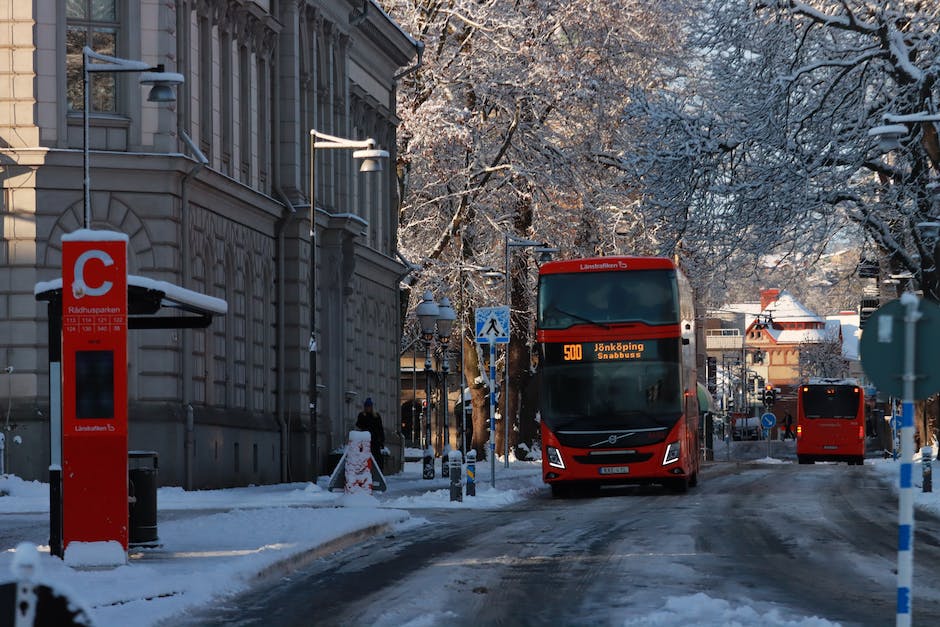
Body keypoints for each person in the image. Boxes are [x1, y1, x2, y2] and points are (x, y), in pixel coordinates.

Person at [356, 398, 385, 471]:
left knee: (377, 458)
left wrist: (381, 440)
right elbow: (359, 425)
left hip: (375, 441)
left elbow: (380, 428)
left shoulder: (376, 416)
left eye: (369, 406)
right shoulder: (362, 415)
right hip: (365, 440)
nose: (367, 408)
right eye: (366, 406)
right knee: (365, 458)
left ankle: (378, 471)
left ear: (371, 407)